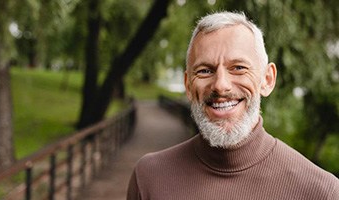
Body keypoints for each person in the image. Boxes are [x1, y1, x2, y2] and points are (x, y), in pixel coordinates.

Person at [127, 11, 339, 200]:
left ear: (267, 80)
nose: (220, 85)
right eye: (204, 70)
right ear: (188, 86)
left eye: (238, 67)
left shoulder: (321, 192)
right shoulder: (149, 178)